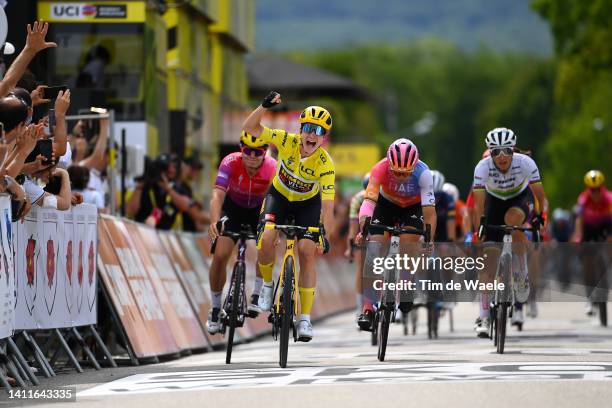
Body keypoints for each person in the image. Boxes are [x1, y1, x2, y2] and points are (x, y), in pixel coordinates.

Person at [242, 91, 334, 342]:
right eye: (307, 128)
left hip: (307, 206)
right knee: (267, 237)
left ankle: (304, 319)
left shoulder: (325, 163)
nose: (310, 135)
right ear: (300, 129)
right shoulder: (286, 140)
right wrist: (263, 106)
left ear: (323, 138)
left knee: (306, 251)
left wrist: (324, 233)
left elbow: (327, 205)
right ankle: (267, 287)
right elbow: (250, 127)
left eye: (317, 131)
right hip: (279, 198)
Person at [471, 127, 547, 337]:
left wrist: (541, 217)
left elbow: (540, 195)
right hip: (494, 202)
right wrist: (480, 228)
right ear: (490, 153)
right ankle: (484, 316)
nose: (502, 156)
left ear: (514, 150)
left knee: (513, 222)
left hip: (520, 199)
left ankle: (521, 273)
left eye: (507, 151)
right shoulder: (482, 167)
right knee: (487, 263)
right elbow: (479, 205)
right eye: (496, 152)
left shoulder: (526, 163)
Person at [356, 138, 437, 331]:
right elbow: (368, 202)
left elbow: (429, 212)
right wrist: (363, 229)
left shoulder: (424, 173)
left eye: (406, 172)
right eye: (397, 172)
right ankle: (368, 308)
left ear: (414, 166)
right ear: (389, 164)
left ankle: (407, 283)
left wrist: (428, 239)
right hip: (386, 205)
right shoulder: (380, 168)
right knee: (374, 249)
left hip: (412, 207)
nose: (401, 176)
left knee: (410, 242)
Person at [205, 132, 277, 334]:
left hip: (259, 210)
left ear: (265, 152)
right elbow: (217, 196)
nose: (252, 156)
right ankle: (216, 307)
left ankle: (257, 292)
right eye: (248, 151)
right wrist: (214, 221)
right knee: (220, 255)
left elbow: (276, 200)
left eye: (258, 152)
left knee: (266, 244)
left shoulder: (273, 167)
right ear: (240, 149)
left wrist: (274, 225)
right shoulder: (229, 162)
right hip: (234, 209)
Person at [572, 170, 611, 316]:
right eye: (592, 190)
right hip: (588, 229)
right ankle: (589, 297)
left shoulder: (608, 199)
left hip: (605, 227)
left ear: (602, 187)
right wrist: (578, 236)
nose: (595, 193)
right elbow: (579, 220)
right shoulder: (584, 199)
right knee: (588, 263)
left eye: (598, 189)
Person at [345, 173, 370, 319]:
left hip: (379, 228)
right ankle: (360, 308)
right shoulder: (358, 199)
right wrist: (350, 247)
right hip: (363, 233)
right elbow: (353, 227)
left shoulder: (385, 197)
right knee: (361, 269)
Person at [431, 170, 456, 242]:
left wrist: (450, 242)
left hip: (442, 230)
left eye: (436, 196)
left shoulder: (448, 198)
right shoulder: (418, 195)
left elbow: (451, 221)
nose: (433, 200)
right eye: (430, 195)